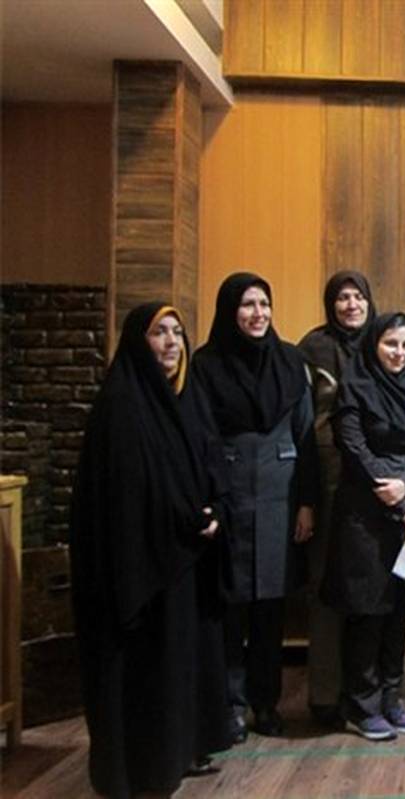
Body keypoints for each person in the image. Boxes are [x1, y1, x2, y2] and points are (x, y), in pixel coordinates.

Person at [70, 303, 229, 797]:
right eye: (160, 332)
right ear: (138, 341)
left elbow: (208, 461)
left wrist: (216, 508)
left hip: (184, 556)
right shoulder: (122, 405)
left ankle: (177, 754)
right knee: (145, 668)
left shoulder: (185, 396)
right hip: (142, 566)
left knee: (179, 663)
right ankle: (142, 768)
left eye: (177, 332)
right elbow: (128, 492)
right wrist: (186, 518)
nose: (171, 342)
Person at [192, 272, 318, 740]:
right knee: (228, 606)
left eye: (264, 304)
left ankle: (266, 703)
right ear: (230, 311)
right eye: (248, 305)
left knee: (270, 608)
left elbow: (305, 435)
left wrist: (306, 503)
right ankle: (230, 703)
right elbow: (201, 437)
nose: (258, 313)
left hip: (280, 498)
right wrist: (209, 499)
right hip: (229, 494)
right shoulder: (206, 364)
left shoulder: (290, 361)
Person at [321, 312, 405, 741]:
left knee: (398, 613)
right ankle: (362, 705)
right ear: (374, 345)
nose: (399, 353)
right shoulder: (355, 386)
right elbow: (355, 449)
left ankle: (391, 699)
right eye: (391, 344)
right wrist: (399, 495)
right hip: (364, 517)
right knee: (367, 615)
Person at [297, 270, 376, 727]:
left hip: (374, 484)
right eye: (342, 297)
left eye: (358, 296)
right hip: (328, 478)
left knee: (368, 589)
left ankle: (363, 692)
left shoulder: (381, 343)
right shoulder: (313, 348)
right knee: (326, 586)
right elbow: (301, 425)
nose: (351, 305)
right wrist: (306, 497)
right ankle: (325, 696)